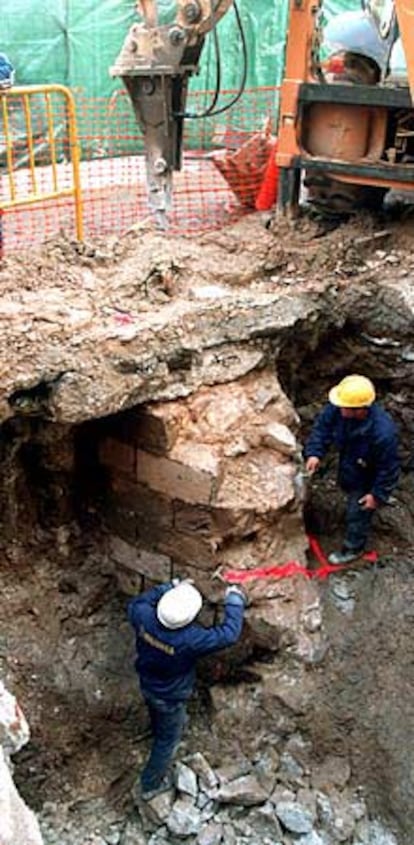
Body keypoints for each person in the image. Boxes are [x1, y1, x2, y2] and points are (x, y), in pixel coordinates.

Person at [127, 577, 246, 799]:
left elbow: (138, 601)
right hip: (172, 694)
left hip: (147, 681)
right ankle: (149, 785)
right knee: (167, 740)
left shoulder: (142, 616)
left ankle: (155, 727)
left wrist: (171, 587)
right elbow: (229, 634)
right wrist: (235, 600)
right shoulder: (190, 639)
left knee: (155, 709)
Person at [304, 374, 399, 565]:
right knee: (348, 483)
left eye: (344, 407)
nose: (339, 408)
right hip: (350, 459)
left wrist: (377, 495)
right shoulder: (340, 408)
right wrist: (315, 453)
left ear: (359, 409)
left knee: (358, 511)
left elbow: (388, 468)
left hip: (367, 473)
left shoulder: (383, 433)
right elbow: (322, 428)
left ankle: (353, 547)